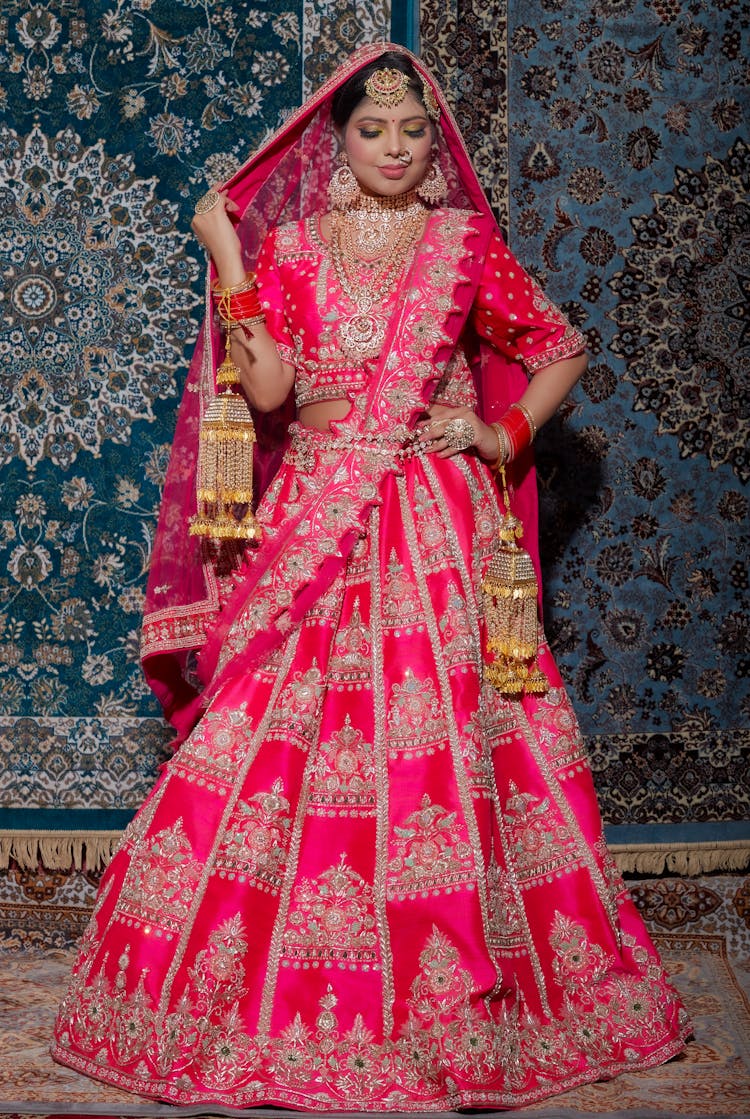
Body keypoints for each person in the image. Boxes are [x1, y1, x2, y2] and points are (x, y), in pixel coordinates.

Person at [51, 43, 690, 1111]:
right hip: (313, 514)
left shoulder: (464, 245)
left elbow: (561, 349)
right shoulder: (293, 248)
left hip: (431, 517)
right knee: (270, 730)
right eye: (370, 131)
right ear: (338, 144)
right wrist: (227, 250)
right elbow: (266, 391)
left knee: (444, 746)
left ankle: (463, 1006)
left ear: (435, 147)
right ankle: (245, 998)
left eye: (411, 132)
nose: (393, 148)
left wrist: (497, 432)